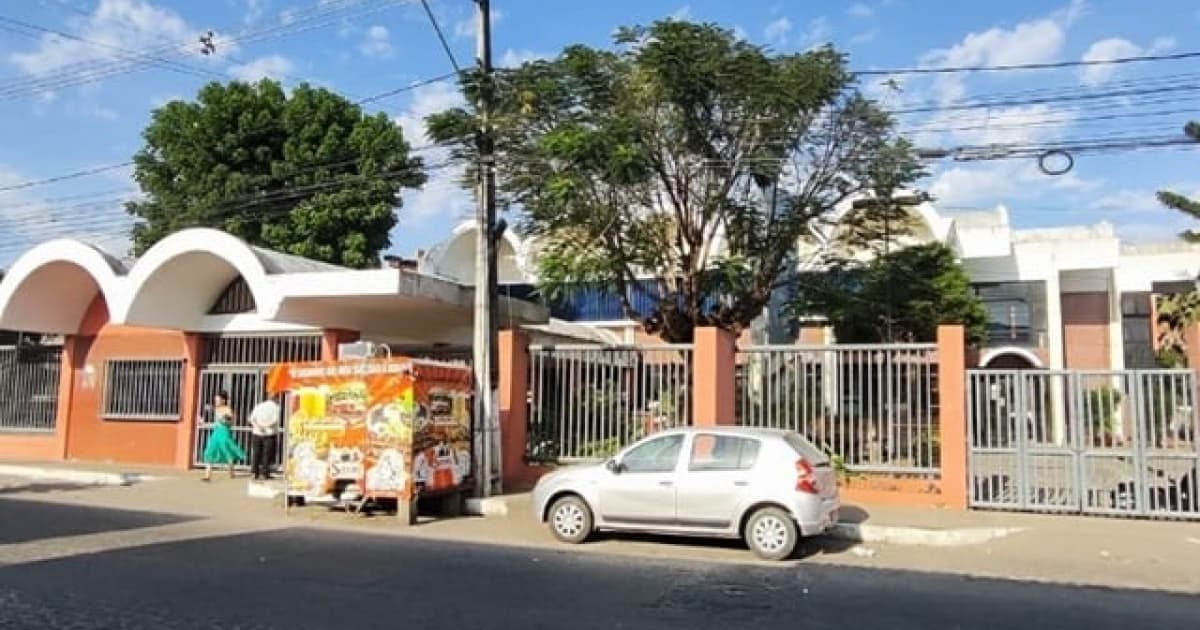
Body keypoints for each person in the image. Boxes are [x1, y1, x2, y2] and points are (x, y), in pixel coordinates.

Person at [202, 390, 246, 481]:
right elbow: (208, 412)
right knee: (210, 450)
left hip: (224, 432)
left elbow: (230, 421)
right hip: (216, 432)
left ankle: (231, 472)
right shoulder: (216, 409)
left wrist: (224, 420)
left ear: (223, 400)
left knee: (227, 451)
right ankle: (207, 475)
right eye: (215, 400)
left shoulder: (227, 409)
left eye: (218, 400)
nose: (216, 402)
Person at [248, 391, 282, 481]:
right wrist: (266, 426)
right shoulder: (276, 408)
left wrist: (259, 426)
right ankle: (265, 473)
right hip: (269, 433)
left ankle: (254, 473)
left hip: (257, 432)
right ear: (276, 398)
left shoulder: (259, 406)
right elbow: (275, 420)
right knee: (266, 454)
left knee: (256, 453)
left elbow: (251, 419)